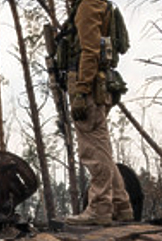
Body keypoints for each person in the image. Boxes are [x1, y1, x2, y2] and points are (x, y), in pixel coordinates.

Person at [63, 0, 133, 226]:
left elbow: (90, 51)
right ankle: (121, 205)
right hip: (96, 85)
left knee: (92, 149)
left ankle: (100, 207)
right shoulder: (96, 3)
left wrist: (81, 92)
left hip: (89, 87)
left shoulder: (87, 5)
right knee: (101, 148)